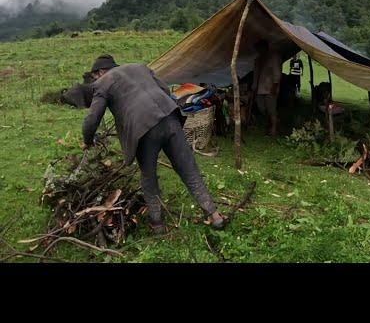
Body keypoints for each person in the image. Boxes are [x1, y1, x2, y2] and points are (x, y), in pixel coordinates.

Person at [81, 54, 226, 235]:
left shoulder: (104, 82)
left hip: (144, 130)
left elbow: (93, 118)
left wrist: (87, 141)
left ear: (99, 72)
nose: (96, 80)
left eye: (95, 76)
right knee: (188, 168)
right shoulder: (140, 67)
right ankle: (214, 215)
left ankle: (157, 223)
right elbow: (165, 90)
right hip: (170, 118)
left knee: (149, 176)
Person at [252, 40, 282, 136]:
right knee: (262, 107)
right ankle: (273, 123)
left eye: (261, 48)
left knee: (271, 108)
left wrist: (275, 85)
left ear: (266, 47)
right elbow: (256, 75)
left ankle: (273, 129)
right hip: (260, 88)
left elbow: (277, 72)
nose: (259, 51)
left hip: (270, 87)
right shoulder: (258, 59)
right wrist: (254, 86)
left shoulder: (274, 57)